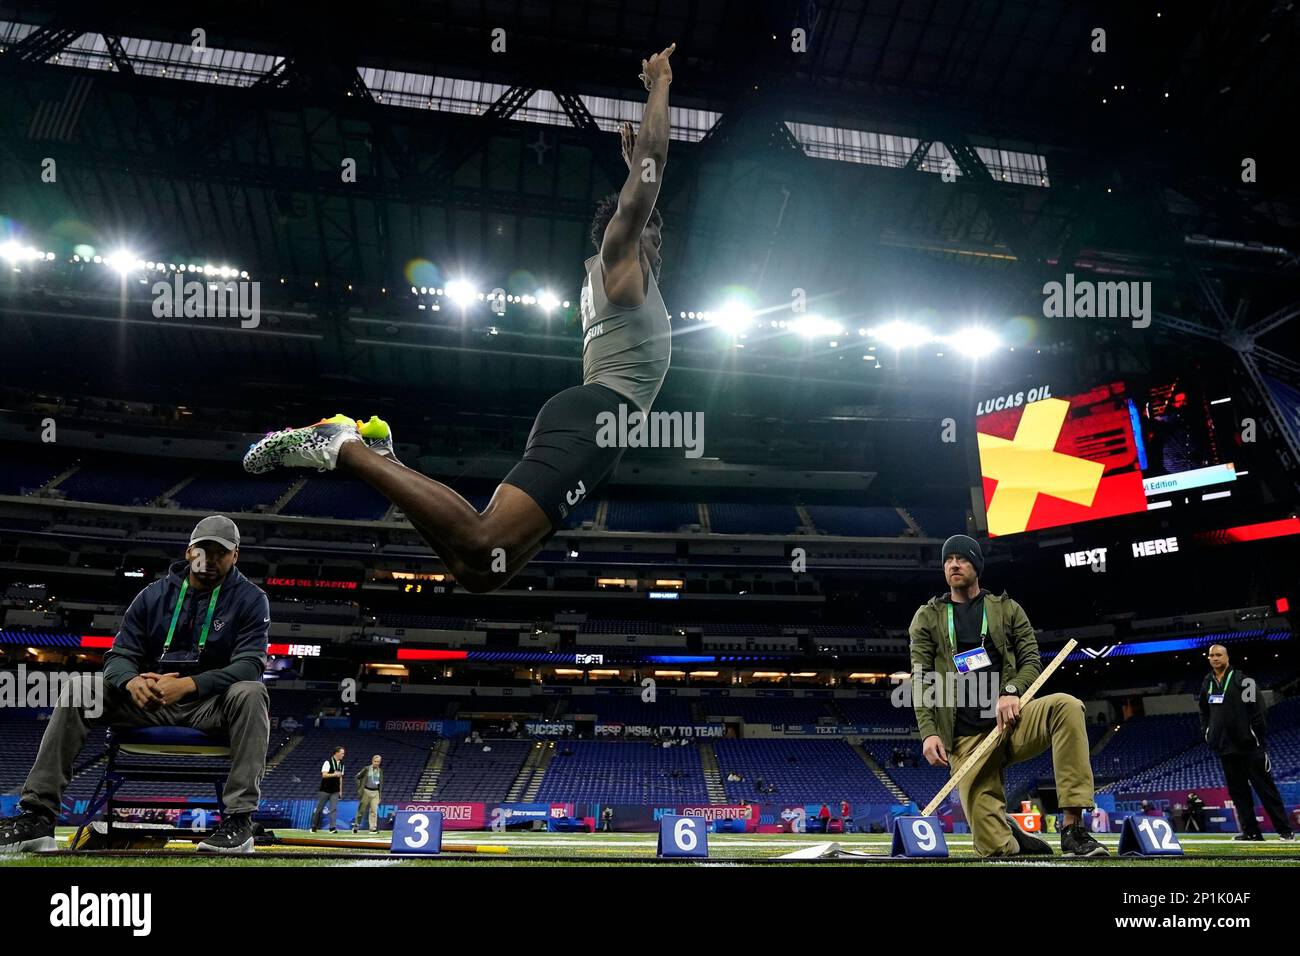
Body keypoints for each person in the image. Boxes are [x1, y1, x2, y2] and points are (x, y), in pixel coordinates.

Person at [240, 44, 679, 595]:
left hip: (602, 429)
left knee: (480, 573)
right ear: (634, 231)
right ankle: (341, 444)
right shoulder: (621, 258)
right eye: (652, 231)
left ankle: (381, 455)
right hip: (597, 416)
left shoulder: (614, 269)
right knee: (481, 541)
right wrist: (659, 85)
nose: (660, 246)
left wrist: (633, 172)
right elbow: (651, 173)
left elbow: (642, 191)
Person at [0, 515, 271, 855]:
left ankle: (239, 821)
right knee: (81, 688)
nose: (212, 560)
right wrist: (130, 682)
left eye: (221, 552)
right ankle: (38, 817)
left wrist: (189, 684)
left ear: (236, 556)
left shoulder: (250, 598)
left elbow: (250, 665)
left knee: (252, 690)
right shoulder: (153, 596)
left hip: (210, 707)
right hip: (147, 703)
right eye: (204, 551)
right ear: (189, 552)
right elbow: (119, 655)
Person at [910, 535, 1108, 857]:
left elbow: (1031, 660)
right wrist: (929, 731)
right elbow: (921, 678)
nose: (954, 565)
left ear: (977, 565)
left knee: (1067, 707)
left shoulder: (1006, 609)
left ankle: (1073, 829)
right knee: (995, 849)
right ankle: (1008, 831)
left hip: (1011, 722)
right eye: (948, 560)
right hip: (966, 738)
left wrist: (1011, 691)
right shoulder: (928, 617)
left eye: (961, 558)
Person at [1199, 644, 1294, 840]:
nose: (1215, 658)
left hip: (1250, 747)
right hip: (1226, 749)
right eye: (1211, 655)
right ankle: (1251, 832)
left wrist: (1253, 736)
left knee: (1266, 790)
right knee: (1238, 793)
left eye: (1218, 655)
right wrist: (1208, 733)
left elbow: (1258, 711)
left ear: (1227, 657)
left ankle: (1285, 831)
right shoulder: (1207, 683)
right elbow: (1204, 711)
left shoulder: (1244, 681)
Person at [312, 746, 346, 833]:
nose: (343, 755)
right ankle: (314, 826)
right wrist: (334, 774)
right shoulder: (328, 762)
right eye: (342, 753)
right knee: (319, 809)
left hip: (335, 790)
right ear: (337, 753)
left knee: (333, 809)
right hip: (325, 789)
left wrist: (340, 791)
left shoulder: (342, 764)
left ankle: (332, 828)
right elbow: (324, 775)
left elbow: (340, 778)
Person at [353, 754, 383, 834]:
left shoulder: (380, 771)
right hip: (366, 791)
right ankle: (356, 825)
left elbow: (381, 784)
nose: (376, 763)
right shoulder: (366, 769)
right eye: (375, 761)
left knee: (374, 810)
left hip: (375, 792)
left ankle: (373, 828)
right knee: (361, 810)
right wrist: (360, 787)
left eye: (378, 762)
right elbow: (357, 777)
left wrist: (380, 795)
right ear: (372, 761)